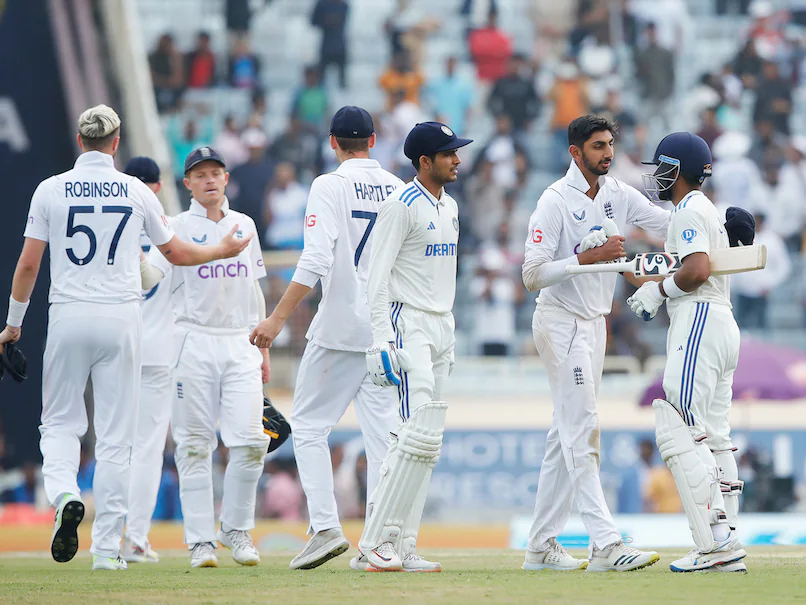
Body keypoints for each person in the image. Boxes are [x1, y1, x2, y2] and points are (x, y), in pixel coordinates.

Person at [0, 105, 250, 570]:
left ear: (80, 141)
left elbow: (29, 264)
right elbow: (174, 253)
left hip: (69, 314)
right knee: (117, 438)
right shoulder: (136, 190)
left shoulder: (50, 189)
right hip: (122, 318)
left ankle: (64, 494)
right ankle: (107, 550)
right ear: (116, 143)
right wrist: (223, 248)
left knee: (59, 423)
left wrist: (14, 323)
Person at [249, 106, 403, 571]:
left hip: (338, 329)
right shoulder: (399, 189)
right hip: (385, 333)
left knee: (311, 429)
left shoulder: (328, 186)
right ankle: (380, 543)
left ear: (333, 143)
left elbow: (315, 258)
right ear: (373, 141)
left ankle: (324, 528)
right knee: (383, 443)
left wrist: (276, 318)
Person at [521, 115, 668, 573]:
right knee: (582, 430)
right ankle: (605, 544)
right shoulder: (553, 201)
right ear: (574, 152)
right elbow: (531, 274)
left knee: (563, 434)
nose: (607, 153)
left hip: (593, 325)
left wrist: (711, 220)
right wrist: (586, 259)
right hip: (559, 322)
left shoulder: (618, 194)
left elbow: (667, 223)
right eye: (598, 146)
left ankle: (540, 548)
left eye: (610, 144)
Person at [630, 136, 752, 573]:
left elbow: (695, 270)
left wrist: (658, 292)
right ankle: (727, 542)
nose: (657, 175)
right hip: (722, 322)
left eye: (661, 167)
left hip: (698, 317)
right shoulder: (704, 211)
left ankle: (714, 540)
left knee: (680, 424)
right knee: (714, 435)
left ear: (676, 168)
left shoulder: (687, 210)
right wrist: (649, 277)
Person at [144, 146, 270, 569]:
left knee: (251, 441)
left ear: (227, 178)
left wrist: (263, 345)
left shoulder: (244, 224)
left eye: (216, 172)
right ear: (188, 184)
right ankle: (200, 541)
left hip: (240, 342)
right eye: (200, 175)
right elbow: (149, 275)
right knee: (195, 445)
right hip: (193, 339)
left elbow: (255, 289)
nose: (209, 180)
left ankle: (235, 528)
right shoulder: (174, 226)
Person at [357, 121, 472, 572]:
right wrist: (381, 340)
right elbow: (377, 276)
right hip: (409, 326)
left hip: (441, 325)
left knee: (429, 441)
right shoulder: (400, 205)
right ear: (425, 162)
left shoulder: (451, 206)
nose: (457, 160)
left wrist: (450, 329)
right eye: (448, 154)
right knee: (410, 434)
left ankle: (403, 543)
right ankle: (375, 541)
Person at [119, 157, 174, 565]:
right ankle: (134, 538)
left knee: (113, 445)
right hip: (156, 353)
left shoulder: (110, 225)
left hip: (112, 348)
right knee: (147, 451)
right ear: (155, 188)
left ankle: (104, 539)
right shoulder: (168, 232)